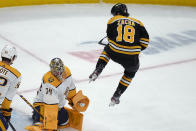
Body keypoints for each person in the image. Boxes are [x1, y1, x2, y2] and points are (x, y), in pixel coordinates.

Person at [89, 3, 149, 106]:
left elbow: (110, 37)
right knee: (130, 73)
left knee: (108, 48)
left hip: (115, 51)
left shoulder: (113, 20)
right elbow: (145, 42)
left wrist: (118, 45)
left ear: (116, 13)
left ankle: (98, 69)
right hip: (132, 57)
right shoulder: (138, 22)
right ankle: (117, 95)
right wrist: (135, 49)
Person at [29, 57, 89, 131]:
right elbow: (50, 105)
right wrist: (51, 126)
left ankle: (39, 116)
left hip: (57, 106)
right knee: (61, 119)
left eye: (61, 70)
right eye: (56, 71)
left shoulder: (67, 72)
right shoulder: (49, 81)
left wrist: (74, 101)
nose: (59, 73)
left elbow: (70, 89)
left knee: (65, 120)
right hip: (43, 105)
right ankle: (38, 115)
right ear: (52, 70)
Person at [0, 45, 21, 130]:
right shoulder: (16, 75)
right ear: (12, 57)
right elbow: (8, 98)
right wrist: (6, 113)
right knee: (4, 126)